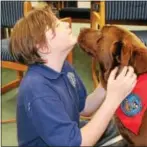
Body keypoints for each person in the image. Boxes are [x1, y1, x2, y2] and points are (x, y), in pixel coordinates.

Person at [9, 7, 137, 146]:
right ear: (43, 47)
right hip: (72, 142)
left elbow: (85, 107)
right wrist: (113, 99)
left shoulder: (63, 67)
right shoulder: (37, 90)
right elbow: (76, 144)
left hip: (70, 135)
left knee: (127, 128)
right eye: (56, 25)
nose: (65, 24)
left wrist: (108, 83)